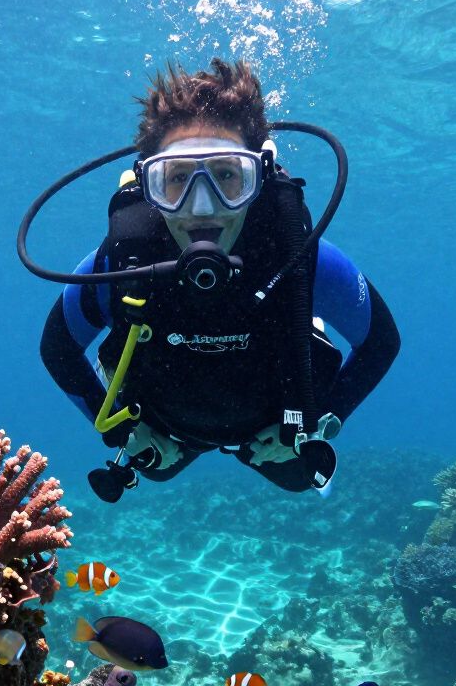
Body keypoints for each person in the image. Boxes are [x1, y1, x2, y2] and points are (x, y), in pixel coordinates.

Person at [40, 59, 400, 496]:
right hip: (165, 430)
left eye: (228, 176)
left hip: (275, 428)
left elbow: (381, 340)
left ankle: (305, 329)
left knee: (301, 478)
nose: (203, 207)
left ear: (260, 178)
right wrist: (118, 429)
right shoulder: (124, 262)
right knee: (154, 469)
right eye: (175, 180)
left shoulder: (297, 256)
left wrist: (321, 417)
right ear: (147, 185)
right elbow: (58, 345)